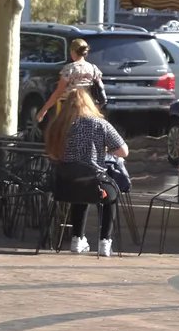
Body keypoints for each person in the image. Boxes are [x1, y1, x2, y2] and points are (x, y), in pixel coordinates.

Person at [45, 86, 128, 256]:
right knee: (111, 194)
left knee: (79, 191)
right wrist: (105, 150)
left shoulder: (58, 125)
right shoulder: (100, 124)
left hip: (63, 187)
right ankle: (105, 241)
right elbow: (123, 151)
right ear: (89, 104)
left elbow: (52, 153)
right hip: (94, 185)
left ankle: (77, 238)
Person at [37, 34, 104, 125]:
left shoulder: (70, 68)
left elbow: (59, 92)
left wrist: (44, 110)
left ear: (72, 51)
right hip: (88, 106)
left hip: (69, 106)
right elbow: (100, 88)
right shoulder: (93, 68)